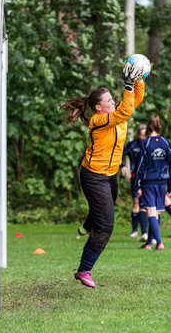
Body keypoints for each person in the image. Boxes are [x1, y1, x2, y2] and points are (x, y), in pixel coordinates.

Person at [60, 64, 145, 288]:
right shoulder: (99, 121)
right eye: (109, 100)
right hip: (94, 176)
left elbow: (132, 103)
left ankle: (88, 224)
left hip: (110, 175)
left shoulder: (116, 114)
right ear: (99, 108)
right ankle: (84, 270)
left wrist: (139, 79)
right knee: (105, 225)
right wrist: (128, 85)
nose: (113, 101)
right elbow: (126, 109)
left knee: (103, 210)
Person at [136, 114, 171, 251]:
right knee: (157, 212)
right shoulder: (166, 143)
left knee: (151, 212)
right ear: (159, 126)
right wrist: (170, 186)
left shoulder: (145, 143)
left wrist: (137, 184)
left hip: (148, 183)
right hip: (162, 183)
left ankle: (159, 243)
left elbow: (140, 167)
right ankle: (149, 243)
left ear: (148, 127)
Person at [120, 125, 148, 241]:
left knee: (146, 205)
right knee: (136, 204)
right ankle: (135, 230)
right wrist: (122, 166)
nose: (143, 137)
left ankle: (145, 232)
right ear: (138, 134)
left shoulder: (149, 144)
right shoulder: (132, 145)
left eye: (145, 135)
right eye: (141, 134)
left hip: (148, 179)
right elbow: (119, 154)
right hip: (135, 178)